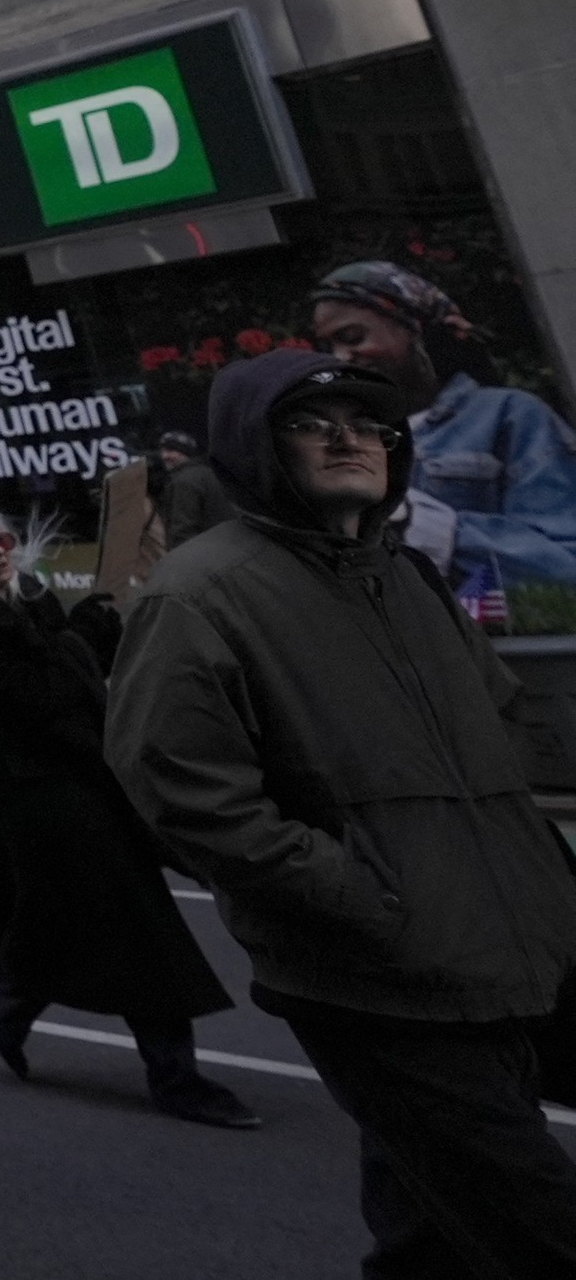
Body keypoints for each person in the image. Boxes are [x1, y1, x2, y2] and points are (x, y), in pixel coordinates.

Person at [109, 350, 576, 1276]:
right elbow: (184, 791)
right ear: (253, 442)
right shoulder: (200, 592)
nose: (347, 438)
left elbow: (502, 730)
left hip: (511, 946)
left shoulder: (406, 576)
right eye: (310, 421)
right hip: (376, 977)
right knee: (540, 1230)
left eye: (367, 422)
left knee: (431, 1234)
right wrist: (364, 896)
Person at [0, 499, 255, 1129]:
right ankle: (175, 1077)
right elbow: (40, 699)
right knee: (140, 930)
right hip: (41, 805)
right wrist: (79, 640)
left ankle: (8, 998)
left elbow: (76, 677)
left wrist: (87, 635)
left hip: (90, 785)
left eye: (2, 538)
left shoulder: (32, 600)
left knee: (82, 925)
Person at [309, 258, 576, 584]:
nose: (341, 358)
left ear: (416, 330)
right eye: (328, 347)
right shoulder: (338, 442)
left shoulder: (509, 416)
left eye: (353, 337)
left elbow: (566, 563)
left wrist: (424, 525)